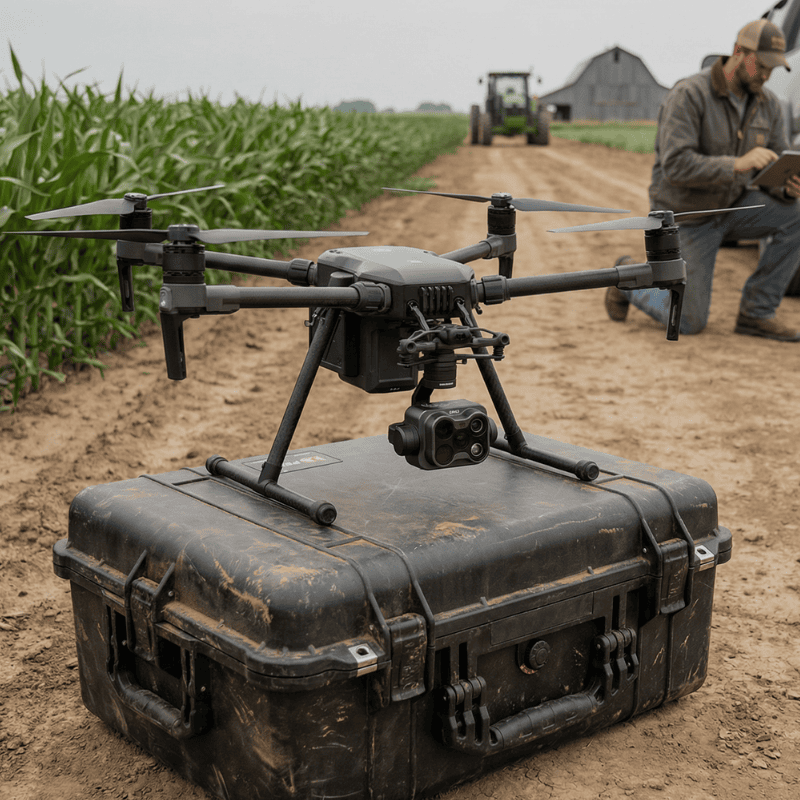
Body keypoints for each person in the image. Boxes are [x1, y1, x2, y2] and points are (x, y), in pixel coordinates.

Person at [605, 19, 800, 341]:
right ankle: (628, 280)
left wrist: (786, 185)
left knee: (795, 214)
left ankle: (756, 313)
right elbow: (675, 166)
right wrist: (737, 164)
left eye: (772, 68)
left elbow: (775, 167)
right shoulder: (689, 94)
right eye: (762, 65)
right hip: (686, 216)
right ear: (739, 52)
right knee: (689, 321)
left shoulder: (768, 105)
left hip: (733, 206)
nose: (767, 75)